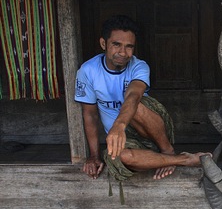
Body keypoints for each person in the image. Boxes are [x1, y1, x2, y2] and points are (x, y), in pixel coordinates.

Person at [75, 15, 210, 181]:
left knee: (135, 104)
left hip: (151, 130)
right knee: (119, 156)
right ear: (104, 44)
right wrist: (94, 156)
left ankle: (167, 151)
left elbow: (133, 95)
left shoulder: (139, 66)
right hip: (123, 140)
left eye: (129, 47)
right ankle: (184, 159)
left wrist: (119, 125)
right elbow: (90, 114)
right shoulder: (87, 71)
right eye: (116, 45)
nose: (123, 53)